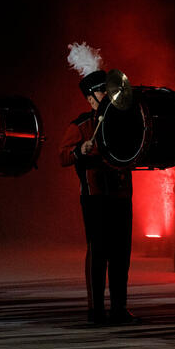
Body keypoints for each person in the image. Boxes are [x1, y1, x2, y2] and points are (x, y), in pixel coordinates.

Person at [59, 42, 139, 326]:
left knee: (121, 254)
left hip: (121, 193)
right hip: (94, 195)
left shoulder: (124, 120)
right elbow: (62, 156)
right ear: (90, 97)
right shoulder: (80, 125)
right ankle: (96, 310)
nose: (108, 94)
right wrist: (80, 149)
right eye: (102, 91)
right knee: (98, 251)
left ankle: (119, 308)